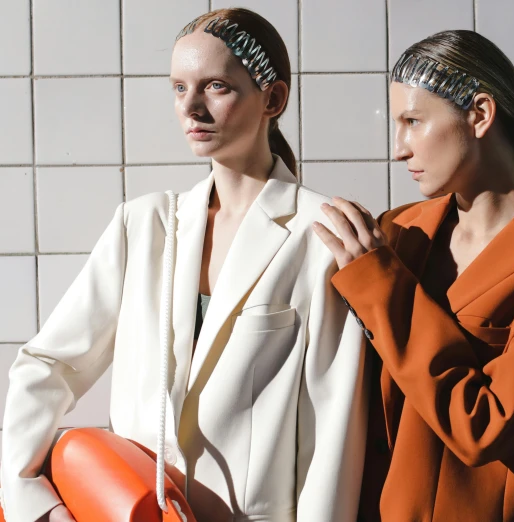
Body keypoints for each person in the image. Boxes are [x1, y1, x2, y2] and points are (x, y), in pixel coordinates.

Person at [1, 8, 367, 522]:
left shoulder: (321, 235)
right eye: (178, 88)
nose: (191, 107)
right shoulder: (143, 224)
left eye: (215, 86)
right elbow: (48, 366)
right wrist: (32, 505)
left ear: (274, 99)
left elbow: (333, 429)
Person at [314, 30, 514, 522]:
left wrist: (381, 284)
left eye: (413, 121)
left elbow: (482, 428)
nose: (399, 149)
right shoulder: (398, 230)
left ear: (479, 114)